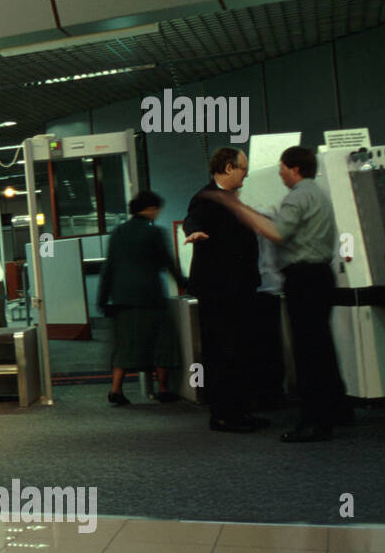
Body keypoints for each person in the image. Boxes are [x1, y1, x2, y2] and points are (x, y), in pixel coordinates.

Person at [202, 145, 348, 442]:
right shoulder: (317, 193)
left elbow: (278, 233)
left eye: (281, 168)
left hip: (304, 279)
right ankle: (337, 409)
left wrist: (239, 209)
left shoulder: (297, 197)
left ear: (294, 168)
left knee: (308, 352)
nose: (279, 173)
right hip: (320, 276)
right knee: (322, 348)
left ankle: (314, 422)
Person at [182, 147, 268, 434]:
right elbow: (193, 219)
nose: (246, 173)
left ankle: (240, 411)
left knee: (241, 350)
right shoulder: (206, 197)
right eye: (243, 168)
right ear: (228, 168)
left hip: (239, 289)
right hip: (219, 292)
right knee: (222, 352)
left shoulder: (234, 199)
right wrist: (191, 232)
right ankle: (222, 415)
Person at [98, 190, 184, 405]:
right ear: (151, 209)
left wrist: (102, 299)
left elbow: (108, 268)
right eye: (157, 209)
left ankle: (116, 389)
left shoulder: (118, 232)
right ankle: (163, 388)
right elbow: (168, 263)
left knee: (124, 344)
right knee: (161, 342)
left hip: (123, 299)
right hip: (150, 297)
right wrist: (186, 284)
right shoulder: (154, 232)